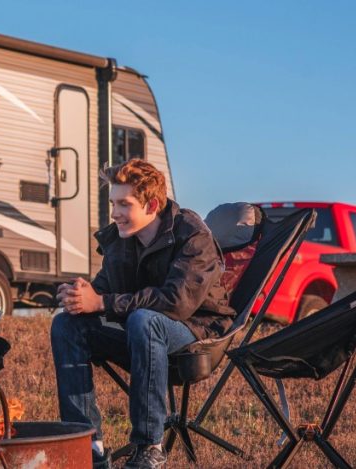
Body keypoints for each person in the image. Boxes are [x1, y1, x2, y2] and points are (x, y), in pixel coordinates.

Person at [50, 160, 235, 469]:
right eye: (112, 203)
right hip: (143, 335)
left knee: (144, 319)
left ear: (151, 204)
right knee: (68, 324)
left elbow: (176, 302)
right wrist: (79, 296)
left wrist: (103, 302)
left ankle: (149, 446)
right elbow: (104, 292)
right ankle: (86, 444)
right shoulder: (121, 240)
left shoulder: (192, 235)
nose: (114, 212)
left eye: (124, 204)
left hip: (197, 334)